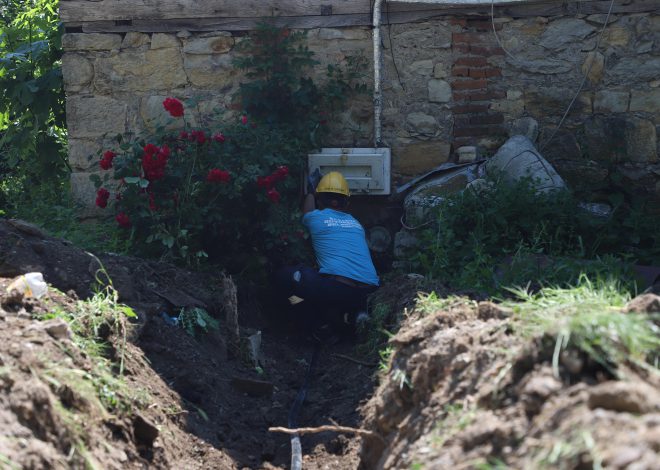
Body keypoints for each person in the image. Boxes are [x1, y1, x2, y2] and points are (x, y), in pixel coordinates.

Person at [275, 171, 379, 334]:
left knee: (285, 276)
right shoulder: (356, 223)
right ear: (346, 203)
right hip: (369, 292)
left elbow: (307, 211)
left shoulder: (316, 218)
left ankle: (302, 316)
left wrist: (310, 192)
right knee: (328, 286)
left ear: (320, 200)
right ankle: (351, 315)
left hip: (338, 289)